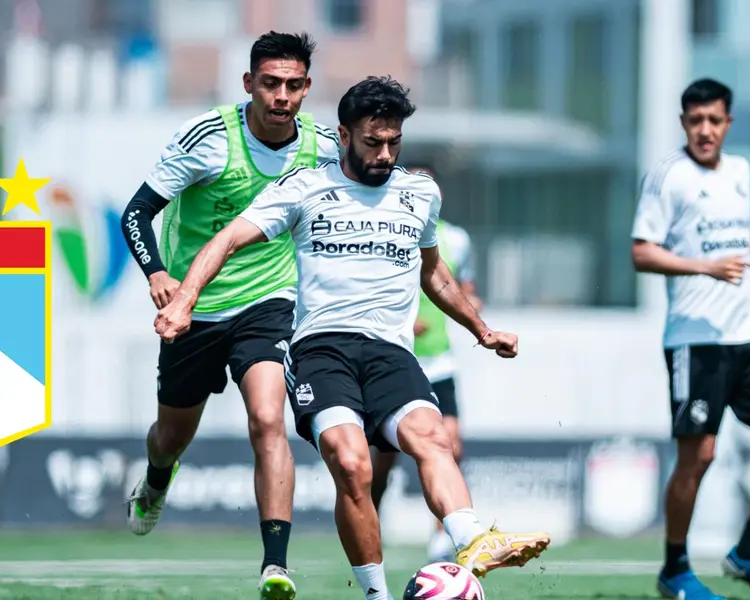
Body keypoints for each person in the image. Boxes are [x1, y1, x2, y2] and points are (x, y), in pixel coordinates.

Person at [154, 76, 550, 600]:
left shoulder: (419, 193)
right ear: (344, 135)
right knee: (351, 460)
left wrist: (482, 329)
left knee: (433, 438)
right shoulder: (302, 188)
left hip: (390, 351)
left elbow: (435, 274)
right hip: (323, 350)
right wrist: (184, 301)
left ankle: (472, 538)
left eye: (394, 142)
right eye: (373, 142)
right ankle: (376, 595)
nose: (385, 154)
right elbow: (226, 239)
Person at [120, 31, 340, 600]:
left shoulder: (322, 147)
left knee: (268, 418)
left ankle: (276, 566)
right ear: (249, 84)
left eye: (294, 85)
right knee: (171, 436)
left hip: (271, 302)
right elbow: (137, 212)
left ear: (307, 88)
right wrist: (159, 276)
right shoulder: (209, 138)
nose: (282, 96)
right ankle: (157, 478)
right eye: (270, 84)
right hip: (195, 309)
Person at [631, 77, 750, 600]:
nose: (705, 130)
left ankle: (748, 553)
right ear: (684, 123)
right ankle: (674, 569)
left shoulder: (741, 170)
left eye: (714, 120)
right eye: (695, 121)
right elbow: (642, 252)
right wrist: (703, 268)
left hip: (749, 334)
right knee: (700, 456)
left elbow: (730, 238)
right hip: (694, 340)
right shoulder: (668, 176)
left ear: (728, 123)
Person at [368, 168, 482, 564]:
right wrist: (399, 317)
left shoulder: (454, 239)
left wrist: (472, 307)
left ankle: (442, 540)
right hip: (396, 358)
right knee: (380, 465)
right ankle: (371, 522)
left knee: (450, 445)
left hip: (439, 361)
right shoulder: (380, 227)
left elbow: (461, 285)